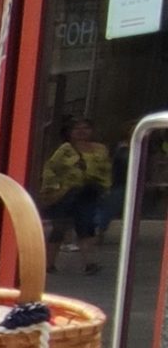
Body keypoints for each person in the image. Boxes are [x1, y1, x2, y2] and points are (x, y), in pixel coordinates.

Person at [42, 117, 113, 275]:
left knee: (86, 227)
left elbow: (105, 169)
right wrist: (51, 190)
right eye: (77, 128)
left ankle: (90, 263)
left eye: (85, 127)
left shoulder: (100, 149)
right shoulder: (64, 150)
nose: (81, 131)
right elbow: (51, 170)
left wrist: (104, 188)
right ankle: (49, 264)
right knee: (59, 228)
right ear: (70, 132)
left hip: (89, 192)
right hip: (66, 193)